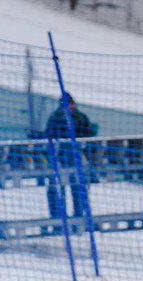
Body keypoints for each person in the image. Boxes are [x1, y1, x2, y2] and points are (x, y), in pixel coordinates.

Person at [42, 93, 98, 222]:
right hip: (59, 158)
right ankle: (56, 216)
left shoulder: (80, 118)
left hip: (76, 158)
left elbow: (89, 137)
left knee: (78, 186)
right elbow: (49, 135)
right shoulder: (56, 118)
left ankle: (79, 214)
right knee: (56, 187)